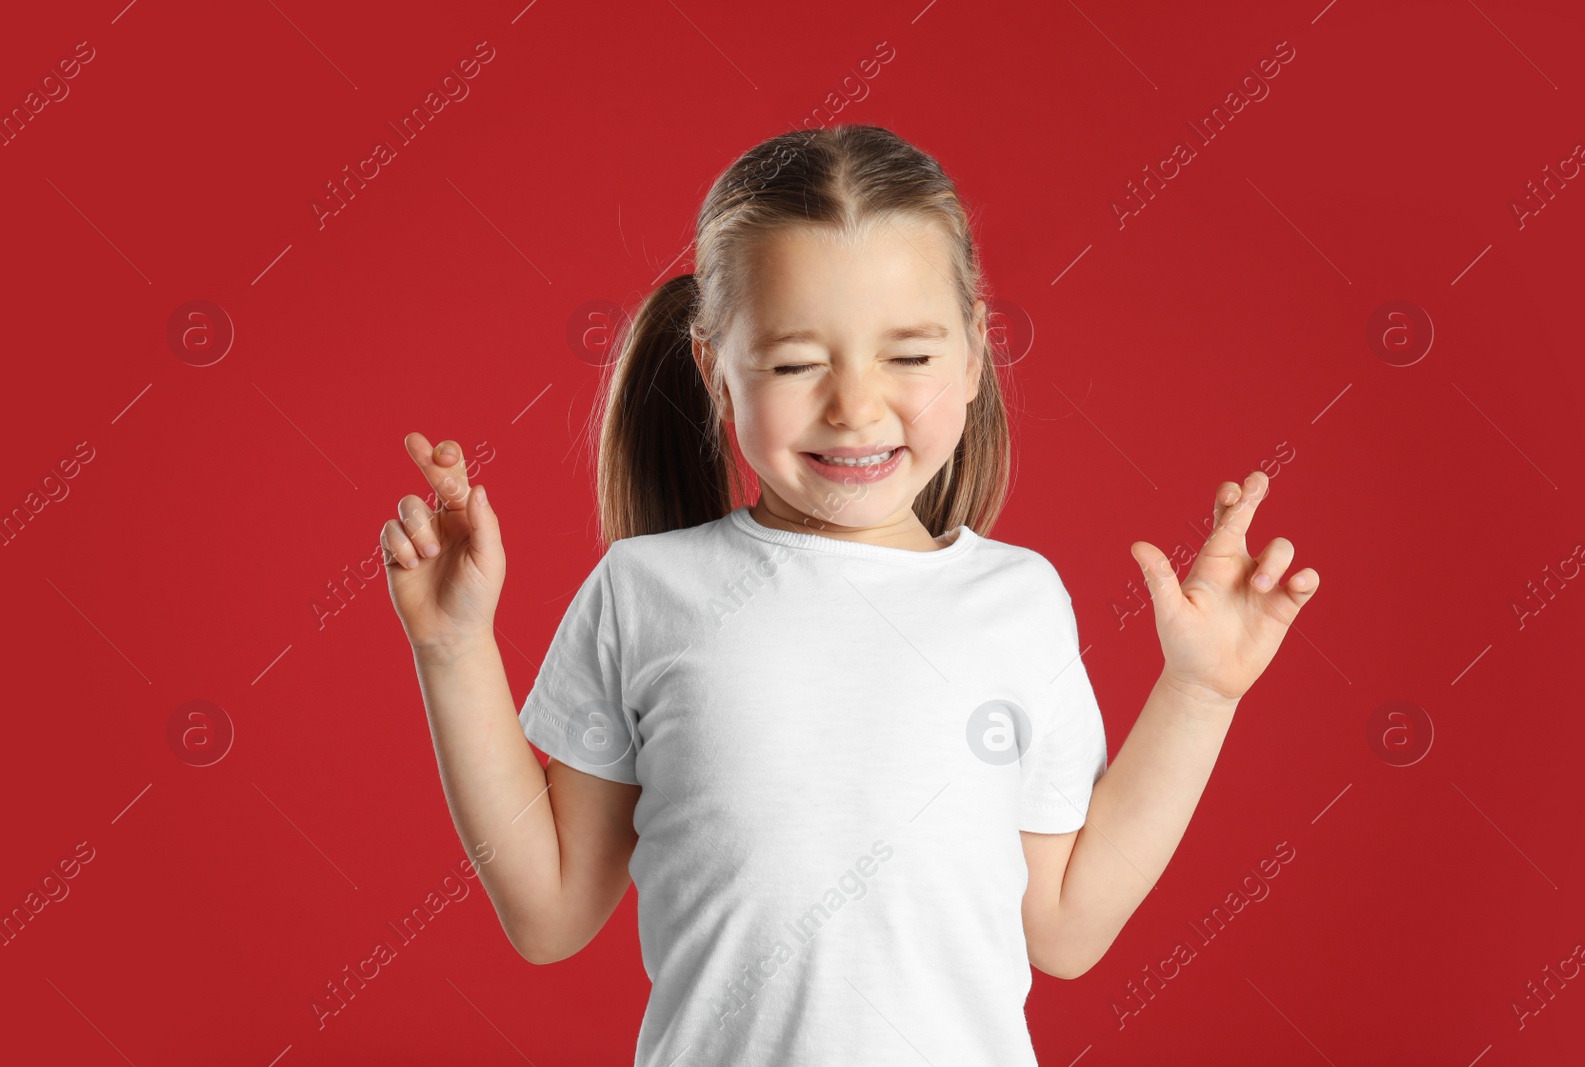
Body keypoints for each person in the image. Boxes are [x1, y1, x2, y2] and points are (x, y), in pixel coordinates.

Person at [380, 124, 1320, 1066]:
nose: (856, 406)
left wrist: (1199, 693)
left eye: (909, 357)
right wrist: (453, 648)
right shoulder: (645, 590)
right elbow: (548, 914)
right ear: (715, 370)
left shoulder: (1020, 601)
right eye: (795, 365)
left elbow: (1066, 926)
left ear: (976, 353)